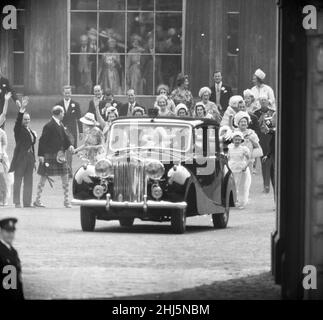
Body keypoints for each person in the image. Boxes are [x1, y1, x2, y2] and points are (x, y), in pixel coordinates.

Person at [34, 106, 74, 208]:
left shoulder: (60, 124)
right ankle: (37, 200)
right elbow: (42, 141)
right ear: (59, 113)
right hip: (49, 155)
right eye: (63, 113)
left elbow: (65, 137)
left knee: (65, 175)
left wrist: (69, 145)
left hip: (60, 155)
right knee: (44, 176)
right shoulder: (49, 125)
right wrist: (41, 155)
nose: (64, 114)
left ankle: (66, 201)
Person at [9, 96, 36, 208]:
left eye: (28, 119)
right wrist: (22, 109)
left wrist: (34, 160)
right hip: (21, 158)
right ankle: (17, 202)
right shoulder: (18, 130)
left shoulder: (30, 130)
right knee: (18, 181)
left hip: (30, 158)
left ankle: (27, 202)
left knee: (29, 181)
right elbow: (18, 121)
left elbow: (32, 145)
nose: (27, 121)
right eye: (25, 119)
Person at [56, 85, 83, 177]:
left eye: (69, 92)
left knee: (70, 151)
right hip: (61, 130)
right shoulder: (58, 104)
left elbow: (79, 119)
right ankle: (63, 169)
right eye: (65, 92)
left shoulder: (76, 104)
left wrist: (81, 132)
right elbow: (55, 119)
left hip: (72, 131)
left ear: (71, 93)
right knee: (62, 150)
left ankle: (69, 170)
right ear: (63, 93)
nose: (67, 94)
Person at [254, 96, 276, 193]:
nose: (263, 102)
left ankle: (274, 185)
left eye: (265, 100)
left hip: (270, 139)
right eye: (261, 100)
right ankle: (266, 185)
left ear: (268, 102)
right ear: (259, 102)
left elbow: (273, 126)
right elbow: (256, 127)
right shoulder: (256, 113)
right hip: (261, 140)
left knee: (272, 164)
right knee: (264, 163)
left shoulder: (273, 112)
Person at [0, 218, 24, 300]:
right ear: (1, 231)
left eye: (12, 232)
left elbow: (17, 281)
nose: (10, 235)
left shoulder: (13, 252)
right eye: (7, 231)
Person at [227, 131, 251, 209]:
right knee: (233, 185)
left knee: (241, 186)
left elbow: (249, 159)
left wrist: (245, 167)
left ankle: (241, 203)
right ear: (233, 140)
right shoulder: (229, 148)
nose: (237, 141)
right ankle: (234, 201)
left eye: (239, 140)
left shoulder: (244, 149)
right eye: (235, 139)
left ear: (241, 140)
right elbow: (227, 158)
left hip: (241, 169)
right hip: (232, 168)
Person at [261, 112, 276, 196]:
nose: (271, 120)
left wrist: (266, 127)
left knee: (275, 180)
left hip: (276, 158)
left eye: (273, 119)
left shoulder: (277, 129)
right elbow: (272, 145)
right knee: (274, 180)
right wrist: (268, 155)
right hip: (272, 156)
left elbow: (270, 130)